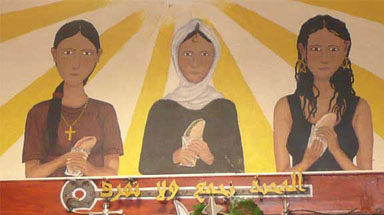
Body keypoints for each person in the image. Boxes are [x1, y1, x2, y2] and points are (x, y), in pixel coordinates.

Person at [139, 18, 244, 174]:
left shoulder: (224, 108)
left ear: (214, 58)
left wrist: (210, 158)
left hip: (213, 195)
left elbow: (238, 170)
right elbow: (145, 166)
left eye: (204, 54)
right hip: (169, 195)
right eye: (187, 54)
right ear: (176, 56)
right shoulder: (161, 109)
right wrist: (174, 157)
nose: (196, 63)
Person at [23, 20, 124, 177]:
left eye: (86, 53)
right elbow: (31, 173)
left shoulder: (105, 111)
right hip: (47, 197)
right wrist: (64, 160)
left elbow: (112, 172)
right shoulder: (39, 112)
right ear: (54, 54)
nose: (75, 63)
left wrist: (90, 170)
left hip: (94, 197)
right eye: (68, 53)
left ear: (98, 56)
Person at [273, 15, 373, 172]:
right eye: (316, 49)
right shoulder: (285, 107)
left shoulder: (360, 108)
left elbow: (368, 178)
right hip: (301, 196)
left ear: (345, 49)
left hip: (348, 195)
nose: (324, 58)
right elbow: (280, 178)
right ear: (303, 50)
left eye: (333, 49)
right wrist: (307, 161)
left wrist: (336, 150)